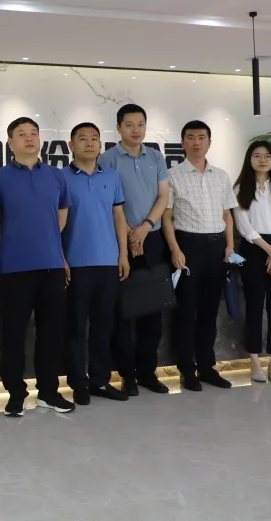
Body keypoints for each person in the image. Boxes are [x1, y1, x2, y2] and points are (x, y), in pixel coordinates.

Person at [0, 117, 74, 417]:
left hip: (51, 266)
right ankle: (15, 394)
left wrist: (52, 246)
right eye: (21, 134)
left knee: (51, 334)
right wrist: (10, 245)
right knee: (13, 335)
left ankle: (48, 392)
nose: (29, 138)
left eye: (34, 133)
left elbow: (61, 216)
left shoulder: (56, 175)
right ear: (10, 142)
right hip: (14, 268)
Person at [98, 104, 171, 396]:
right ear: (118, 128)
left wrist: (145, 226)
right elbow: (107, 201)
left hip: (152, 239)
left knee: (153, 310)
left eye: (141, 124)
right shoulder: (107, 158)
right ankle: (127, 375)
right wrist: (129, 232)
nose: (136, 130)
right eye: (129, 125)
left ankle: (148, 373)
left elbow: (163, 196)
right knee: (123, 313)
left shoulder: (156, 156)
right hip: (120, 241)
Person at [163, 120, 237, 392]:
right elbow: (167, 217)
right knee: (186, 312)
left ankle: (207, 367)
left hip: (216, 248)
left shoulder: (221, 176)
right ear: (183, 142)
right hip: (188, 247)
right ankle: (186, 369)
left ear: (209, 142)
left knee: (209, 312)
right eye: (191, 137)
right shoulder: (172, 175)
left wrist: (230, 247)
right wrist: (175, 250)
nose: (197, 142)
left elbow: (227, 215)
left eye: (202, 137)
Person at [62, 123, 131, 406]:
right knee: (75, 328)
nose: (89, 143)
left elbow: (119, 217)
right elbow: (55, 222)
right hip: (75, 264)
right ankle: (78, 382)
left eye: (94, 139)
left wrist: (123, 255)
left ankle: (100, 380)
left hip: (108, 262)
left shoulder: (111, 176)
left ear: (101, 145)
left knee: (103, 326)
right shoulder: (61, 178)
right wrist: (61, 258)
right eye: (82, 139)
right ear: (71, 145)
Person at [232, 140, 271, 384]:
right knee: (254, 305)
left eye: (267, 156)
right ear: (249, 159)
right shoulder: (240, 188)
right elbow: (243, 224)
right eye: (257, 155)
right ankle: (254, 361)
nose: (262, 160)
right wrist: (268, 249)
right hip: (253, 249)